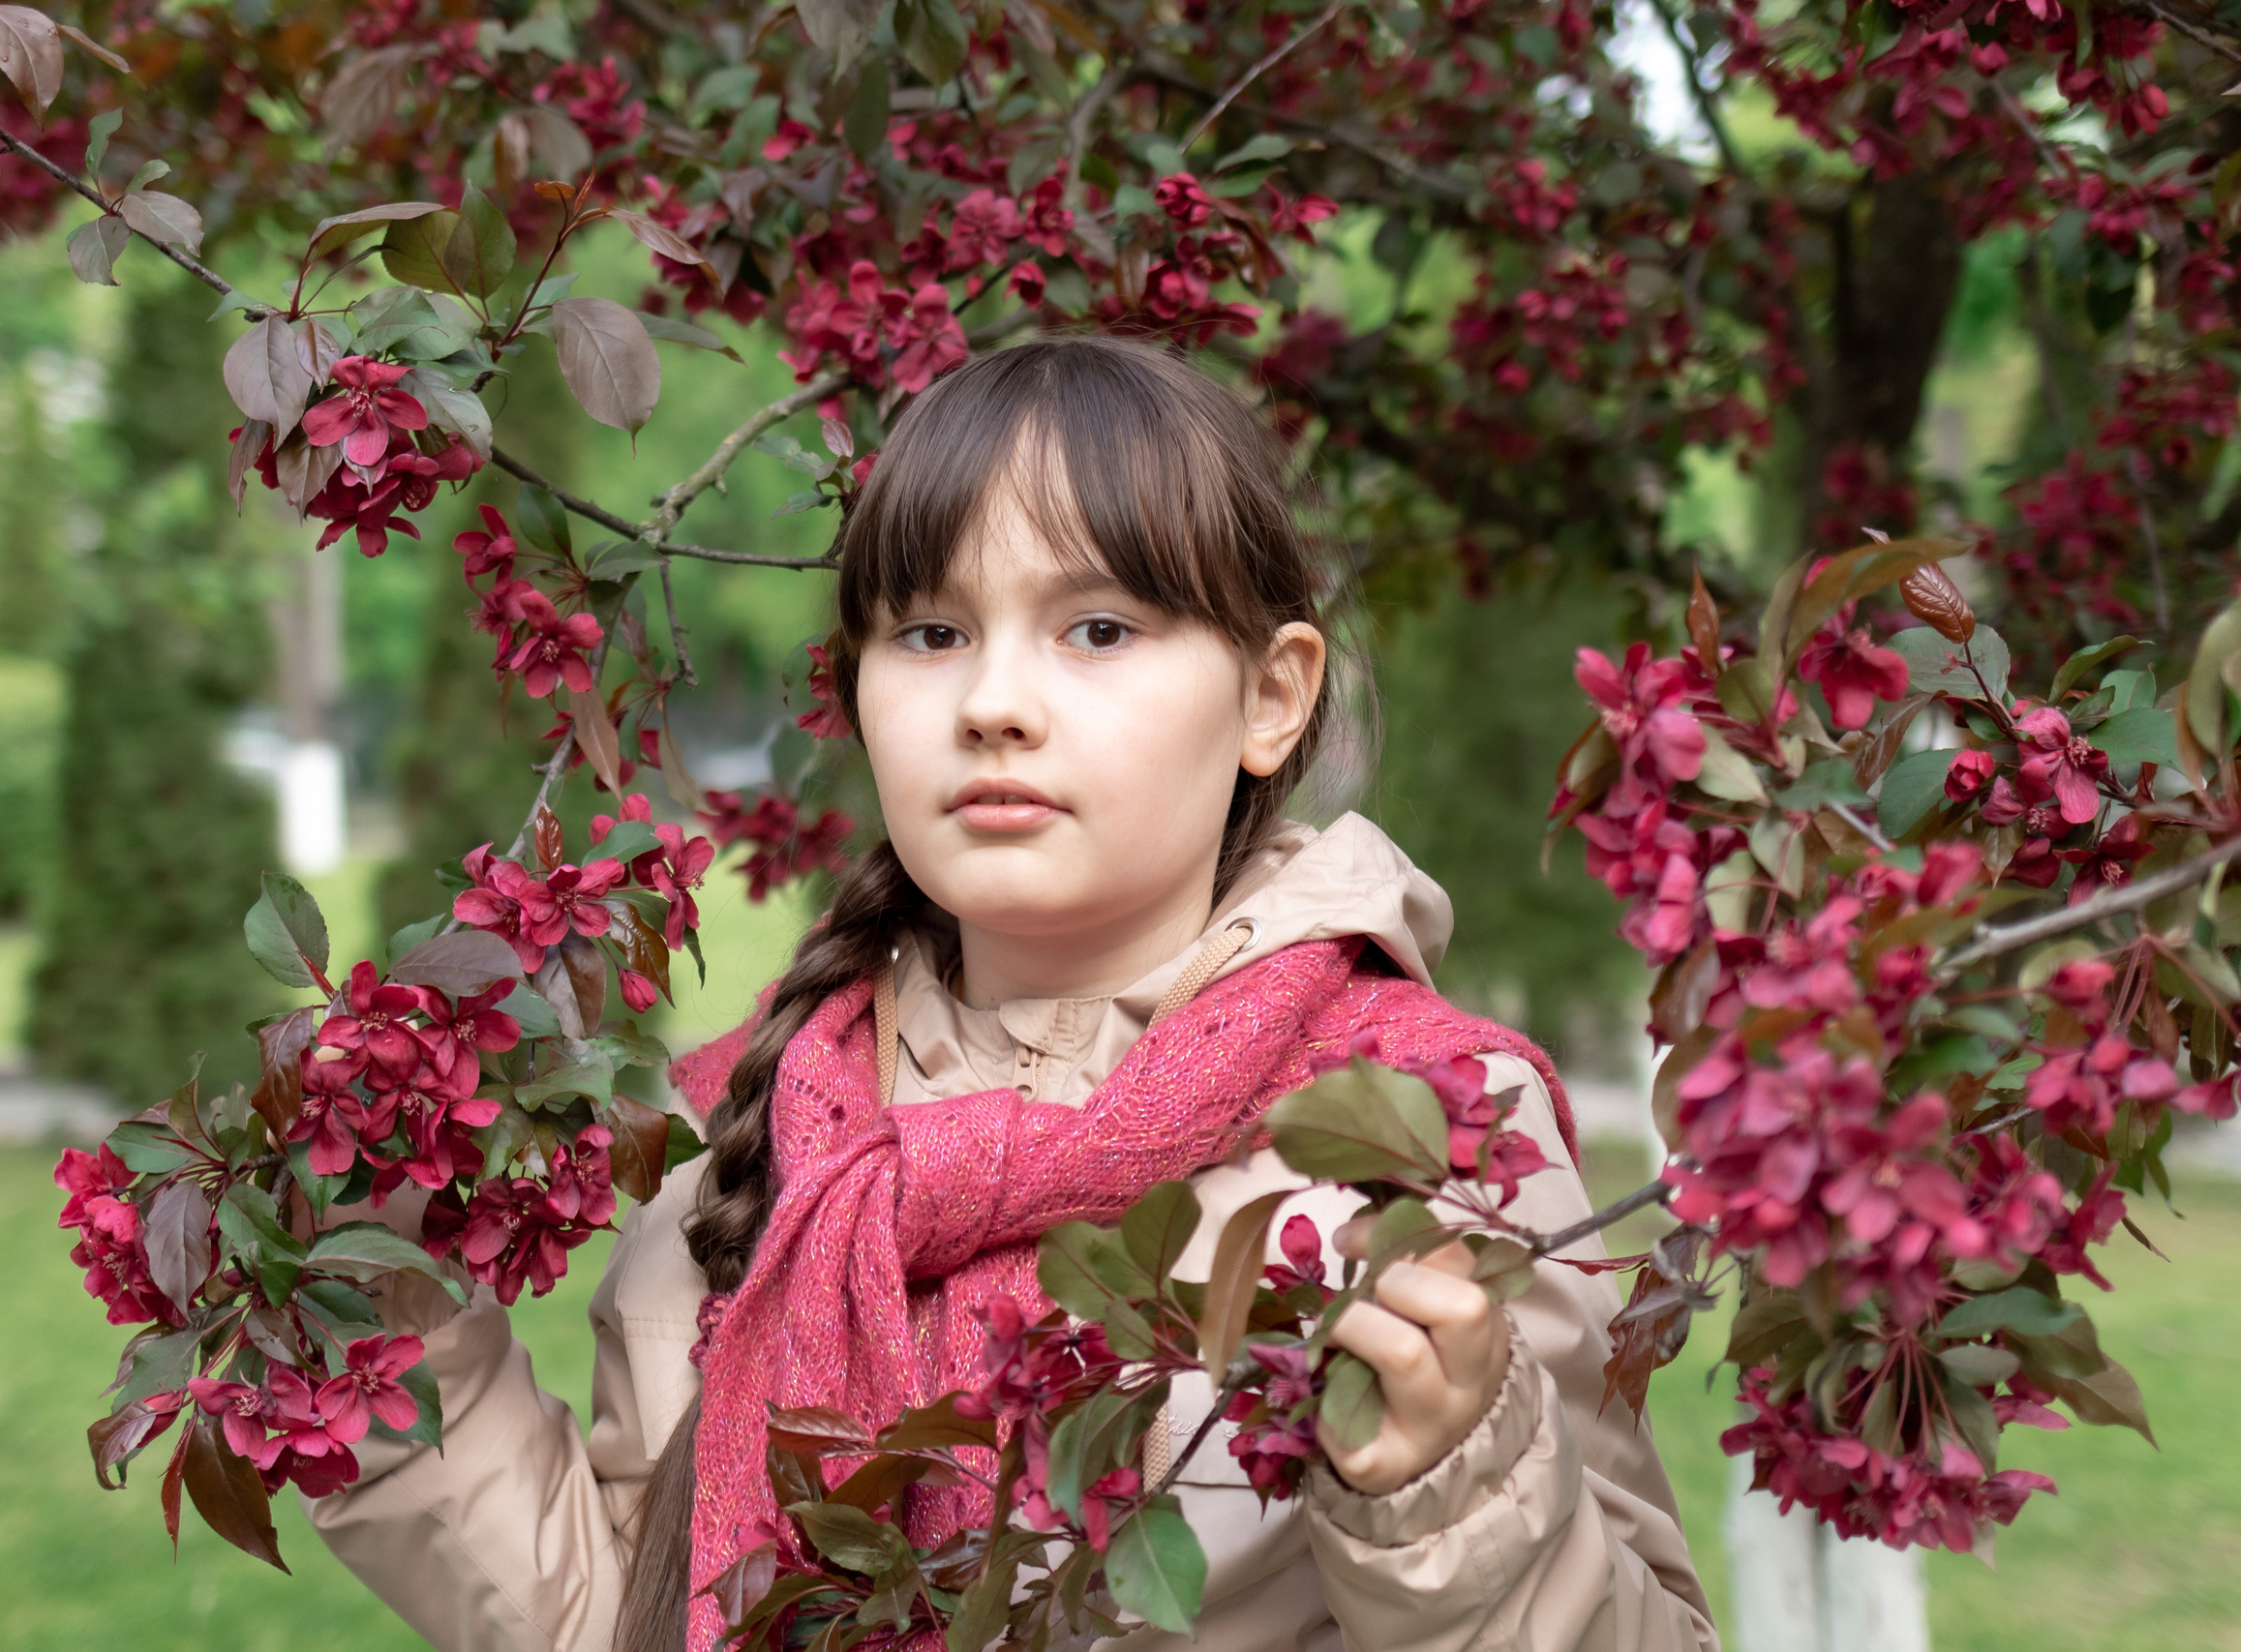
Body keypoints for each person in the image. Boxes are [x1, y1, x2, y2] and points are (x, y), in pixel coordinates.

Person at [309, 336, 1718, 1652]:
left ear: (1274, 697)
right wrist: (365, 1299)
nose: (992, 702)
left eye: (1097, 629)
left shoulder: (1423, 1127)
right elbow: (631, 1609)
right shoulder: (756, 1131)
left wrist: (1458, 1497)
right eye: (928, 633)